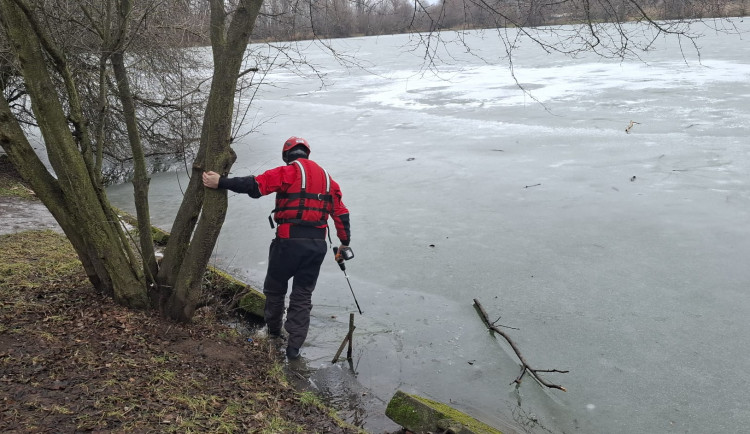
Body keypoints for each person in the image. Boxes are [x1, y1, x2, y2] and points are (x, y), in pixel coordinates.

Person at [202, 136, 351, 360]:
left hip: (287, 244)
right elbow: (341, 214)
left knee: (275, 290)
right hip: (317, 247)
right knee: (302, 296)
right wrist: (344, 244)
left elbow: (254, 185)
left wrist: (221, 182)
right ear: (306, 154)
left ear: (287, 156)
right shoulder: (329, 181)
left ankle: (273, 333)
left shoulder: (288, 172)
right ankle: (294, 348)